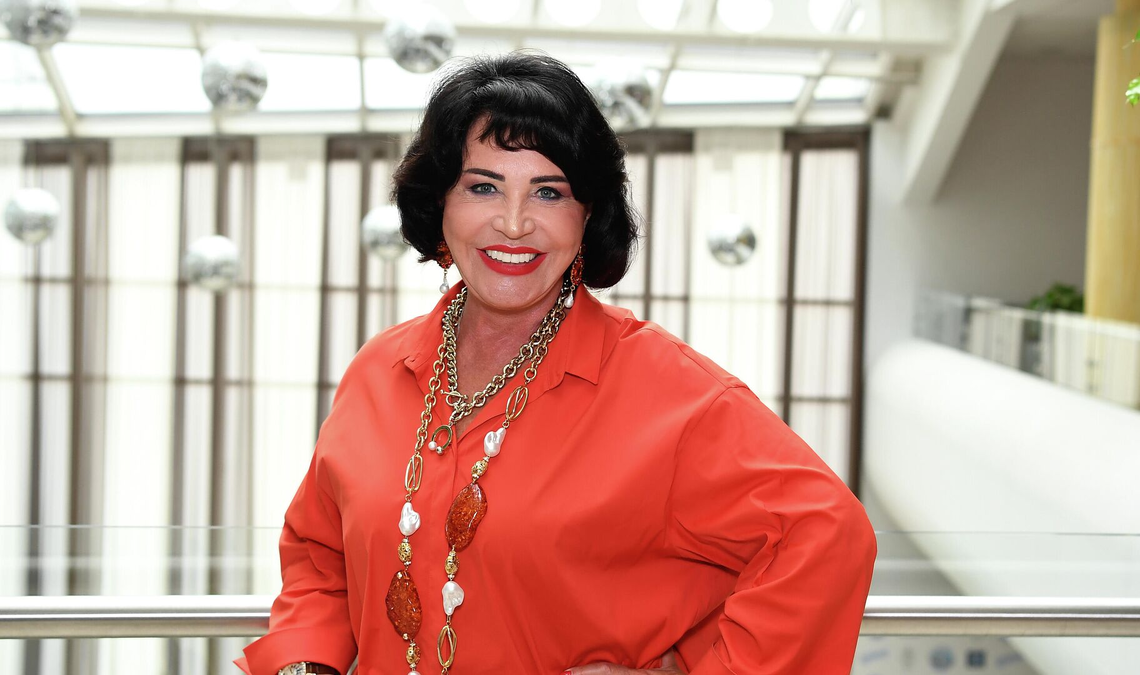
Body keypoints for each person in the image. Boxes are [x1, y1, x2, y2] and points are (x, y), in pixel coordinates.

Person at [236, 51, 876, 675]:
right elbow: (321, 557)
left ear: (587, 215)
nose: (514, 223)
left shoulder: (670, 393)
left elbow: (826, 536)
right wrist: (305, 665)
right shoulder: (378, 369)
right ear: (440, 204)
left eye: (548, 192)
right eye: (483, 187)